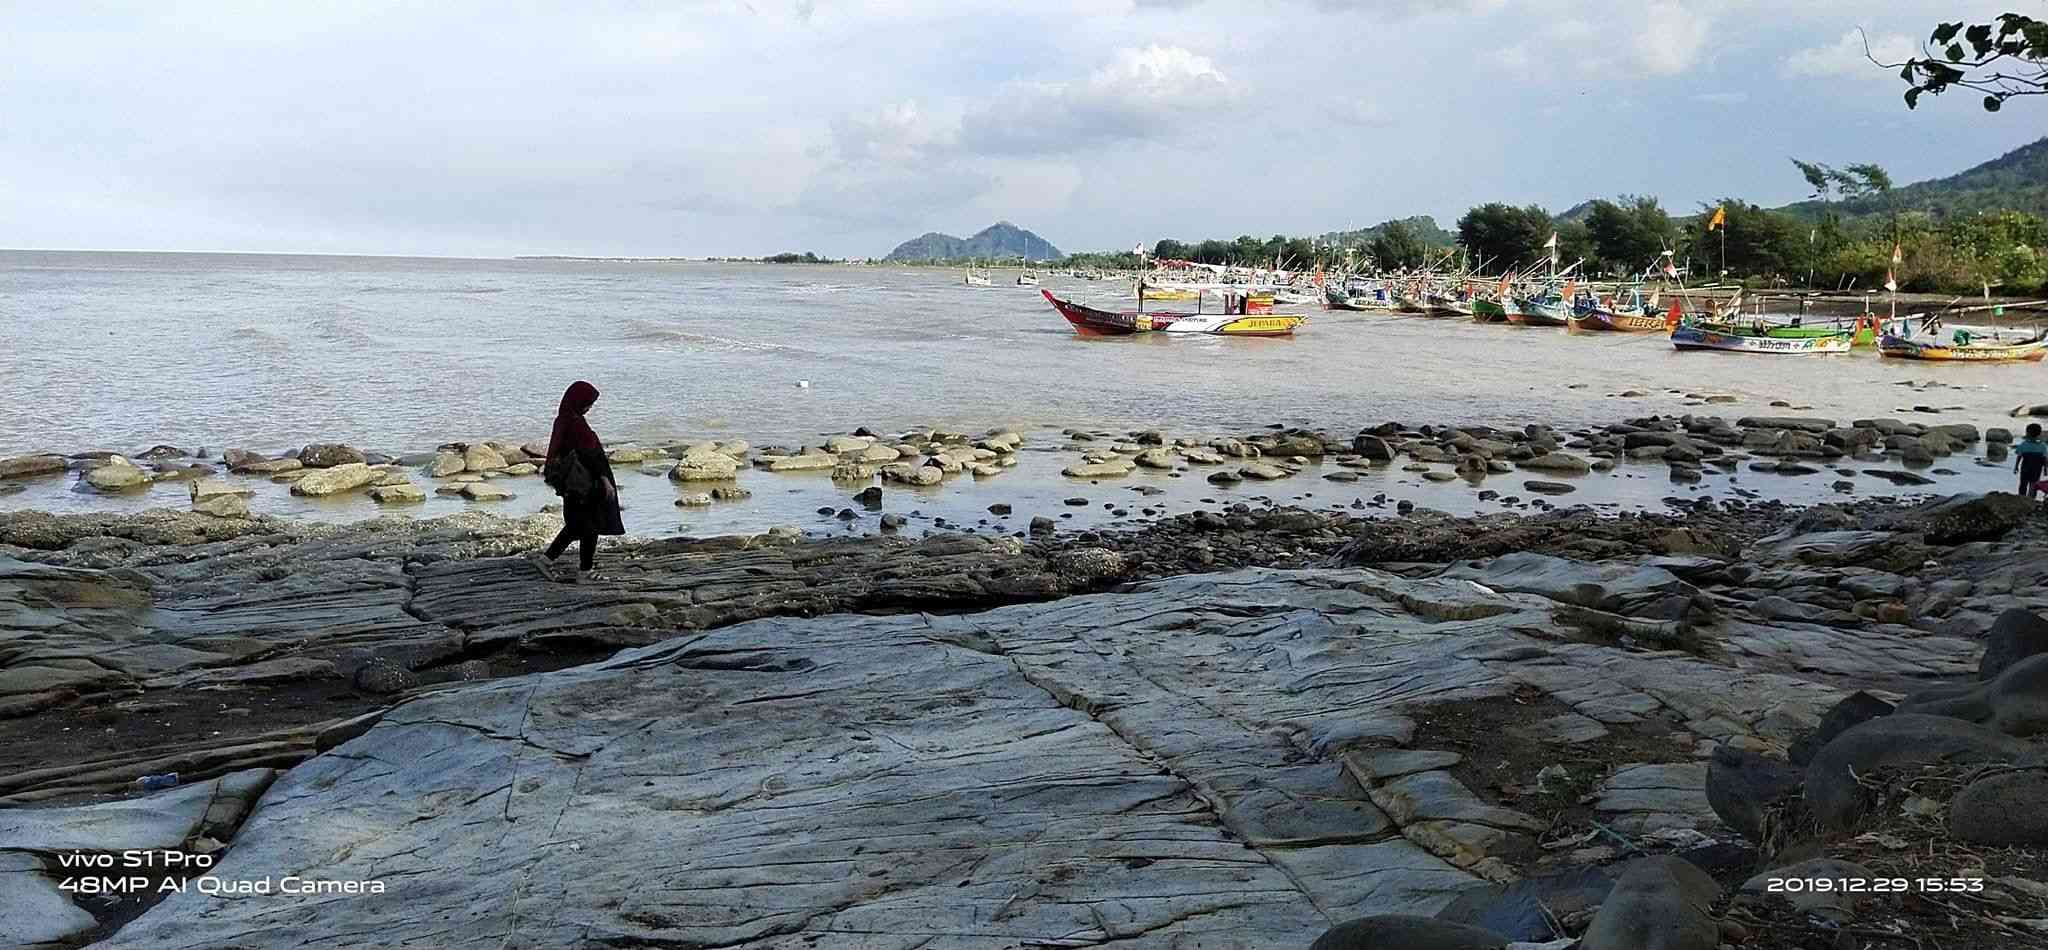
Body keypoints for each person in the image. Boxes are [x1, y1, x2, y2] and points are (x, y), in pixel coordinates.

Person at [534, 381, 623, 581]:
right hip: (585, 484)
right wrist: (605, 481)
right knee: (589, 526)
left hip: (572, 484)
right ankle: (584, 571)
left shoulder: (564, 419)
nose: (590, 407)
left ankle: (547, 560)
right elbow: (590, 454)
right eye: (588, 403)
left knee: (577, 525)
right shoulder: (575, 423)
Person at [2016, 423, 2048, 500]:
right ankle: (2031, 499)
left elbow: (2019, 456)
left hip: (2025, 469)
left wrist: (2016, 466)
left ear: (2027, 434)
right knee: (2033, 485)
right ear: (2039, 434)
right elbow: (2045, 459)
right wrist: (2045, 469)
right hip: (2036, 469)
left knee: (2023, 484)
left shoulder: (2023, 444)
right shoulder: (2043, 446)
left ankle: (2022, 498)